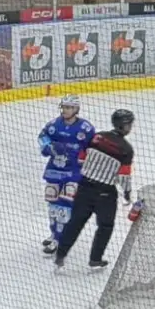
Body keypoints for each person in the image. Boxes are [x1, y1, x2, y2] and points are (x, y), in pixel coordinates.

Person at [53, 109, 136, 271]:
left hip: (84, 187)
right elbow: (124, 177)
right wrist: (127, 193)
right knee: (105, 226)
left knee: (75, 223)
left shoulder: (97, 137)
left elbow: (81, 158)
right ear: (125, 126)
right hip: (105, 193)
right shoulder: (126, 149)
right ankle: (95, 260)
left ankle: (60, 256)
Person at [38, 95, 94, 254]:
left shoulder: (85, 128)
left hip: (74, 173)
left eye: (69, 107)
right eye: (64, 107)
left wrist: (86, 162)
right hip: (54, 170)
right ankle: (54, 233)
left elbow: (93, 147)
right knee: (52, 203)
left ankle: (60, 239)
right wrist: (49, 147)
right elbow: (42, 137)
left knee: (65, 205)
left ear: (76, 109)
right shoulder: (54, 125)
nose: (65, 110)